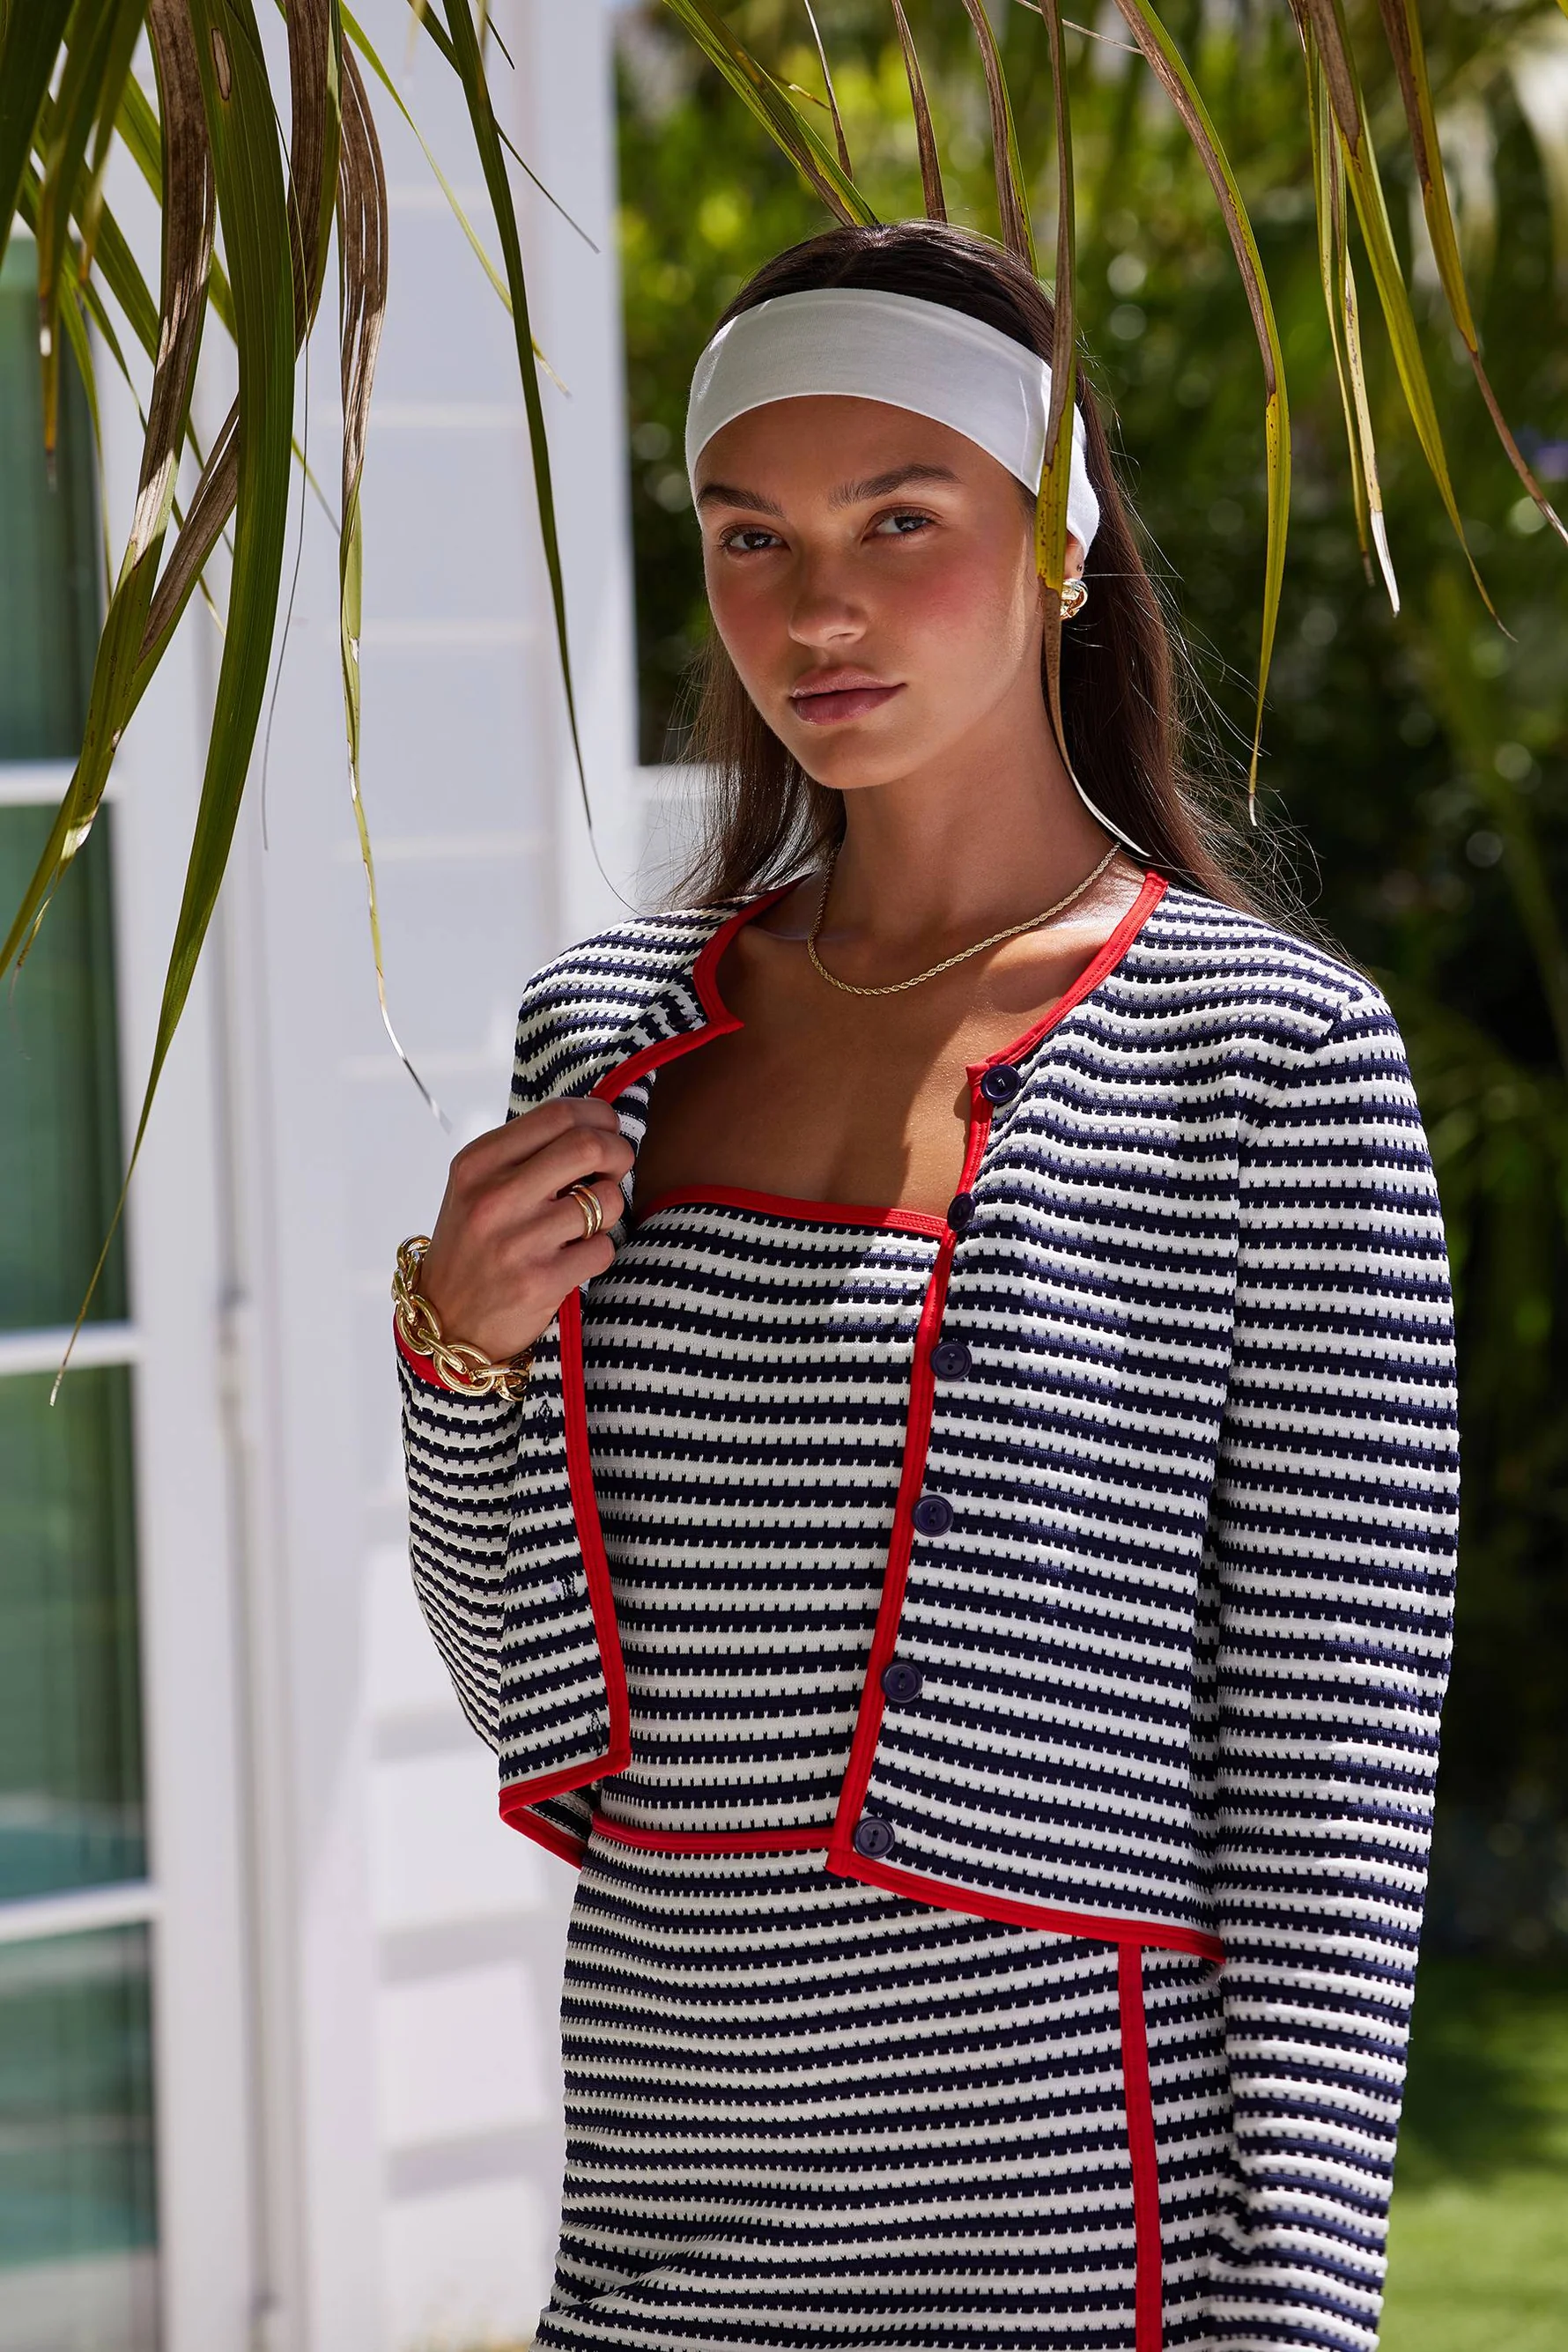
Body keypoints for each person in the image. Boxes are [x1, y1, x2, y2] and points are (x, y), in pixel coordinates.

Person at [393, 221, 1459, 2352]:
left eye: (900, 518)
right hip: (664, 2226)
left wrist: (1294, 2316)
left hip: (1080, 2246)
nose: (819, 610)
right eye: (751, 537)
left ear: (1055, 539)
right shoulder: (604, 1044)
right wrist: (456, 1356)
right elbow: (536, 1701)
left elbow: (1330, 1792)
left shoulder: (1265, 1060)